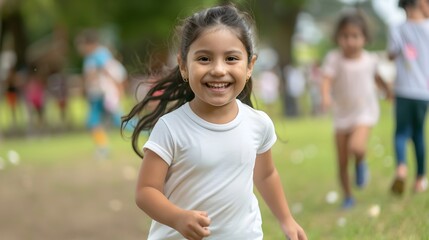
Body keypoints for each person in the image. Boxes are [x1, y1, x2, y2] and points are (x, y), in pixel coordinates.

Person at [121, 5, 307, 240]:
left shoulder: (258, 124)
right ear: (183, 66)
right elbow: (146, 191)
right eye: (204, 58)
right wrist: (177, 217)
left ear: (249, 66)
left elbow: (266, 175)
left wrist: (286, 219)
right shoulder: (171, 128)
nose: (218, 70)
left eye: (231, 59)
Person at [320, 11, 392, 209]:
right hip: (342, 114)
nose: (350, 41)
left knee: (357, 147)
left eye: (355, 36)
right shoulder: (334, 58)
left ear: (364, 38)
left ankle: (361, 163)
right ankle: (348, 196)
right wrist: (325, 96)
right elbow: (326, 79)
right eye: (345, 36)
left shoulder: (369, 60)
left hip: (364, 112)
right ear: (338, 38)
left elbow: (378, 78)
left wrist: (388, 92)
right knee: (342, 161)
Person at [387, 0, 429, 195]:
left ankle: (401, 168)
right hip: (424, 93)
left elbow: (391, 54)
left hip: (403, 90)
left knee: (401, 133)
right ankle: (420, 179)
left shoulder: (397, 28)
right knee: (419, 134)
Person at [75, 29, 126, 158]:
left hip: (102, 94)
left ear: (89, 44)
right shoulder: (93, 56)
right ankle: (103, 147)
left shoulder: (99, 54)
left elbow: (108, 71)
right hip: (97, 95)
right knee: (100, 121)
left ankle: (146, 130)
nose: (80, 48)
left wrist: (117, 87)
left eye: (82, 44)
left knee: (114, 120)